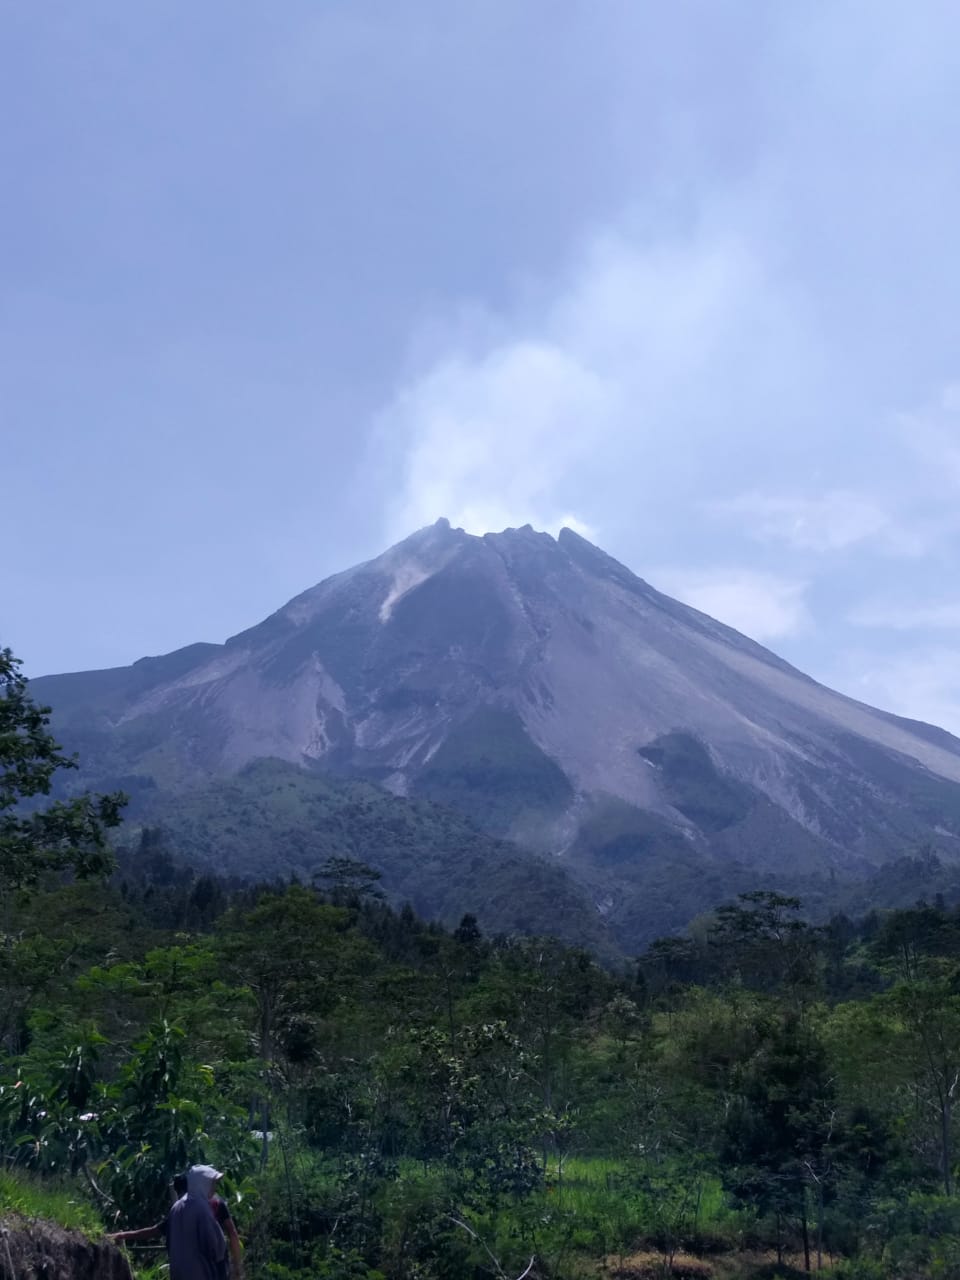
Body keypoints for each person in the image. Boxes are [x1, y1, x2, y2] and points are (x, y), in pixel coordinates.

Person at [165, 1164, 229, 1280]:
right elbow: (216, 1247)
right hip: (201, 1273)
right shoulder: (202, 1208)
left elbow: (169, 1241)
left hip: (178, 1273)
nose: (215, 1188)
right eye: (213, 1183)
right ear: (203, 1184)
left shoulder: (176, 1207)